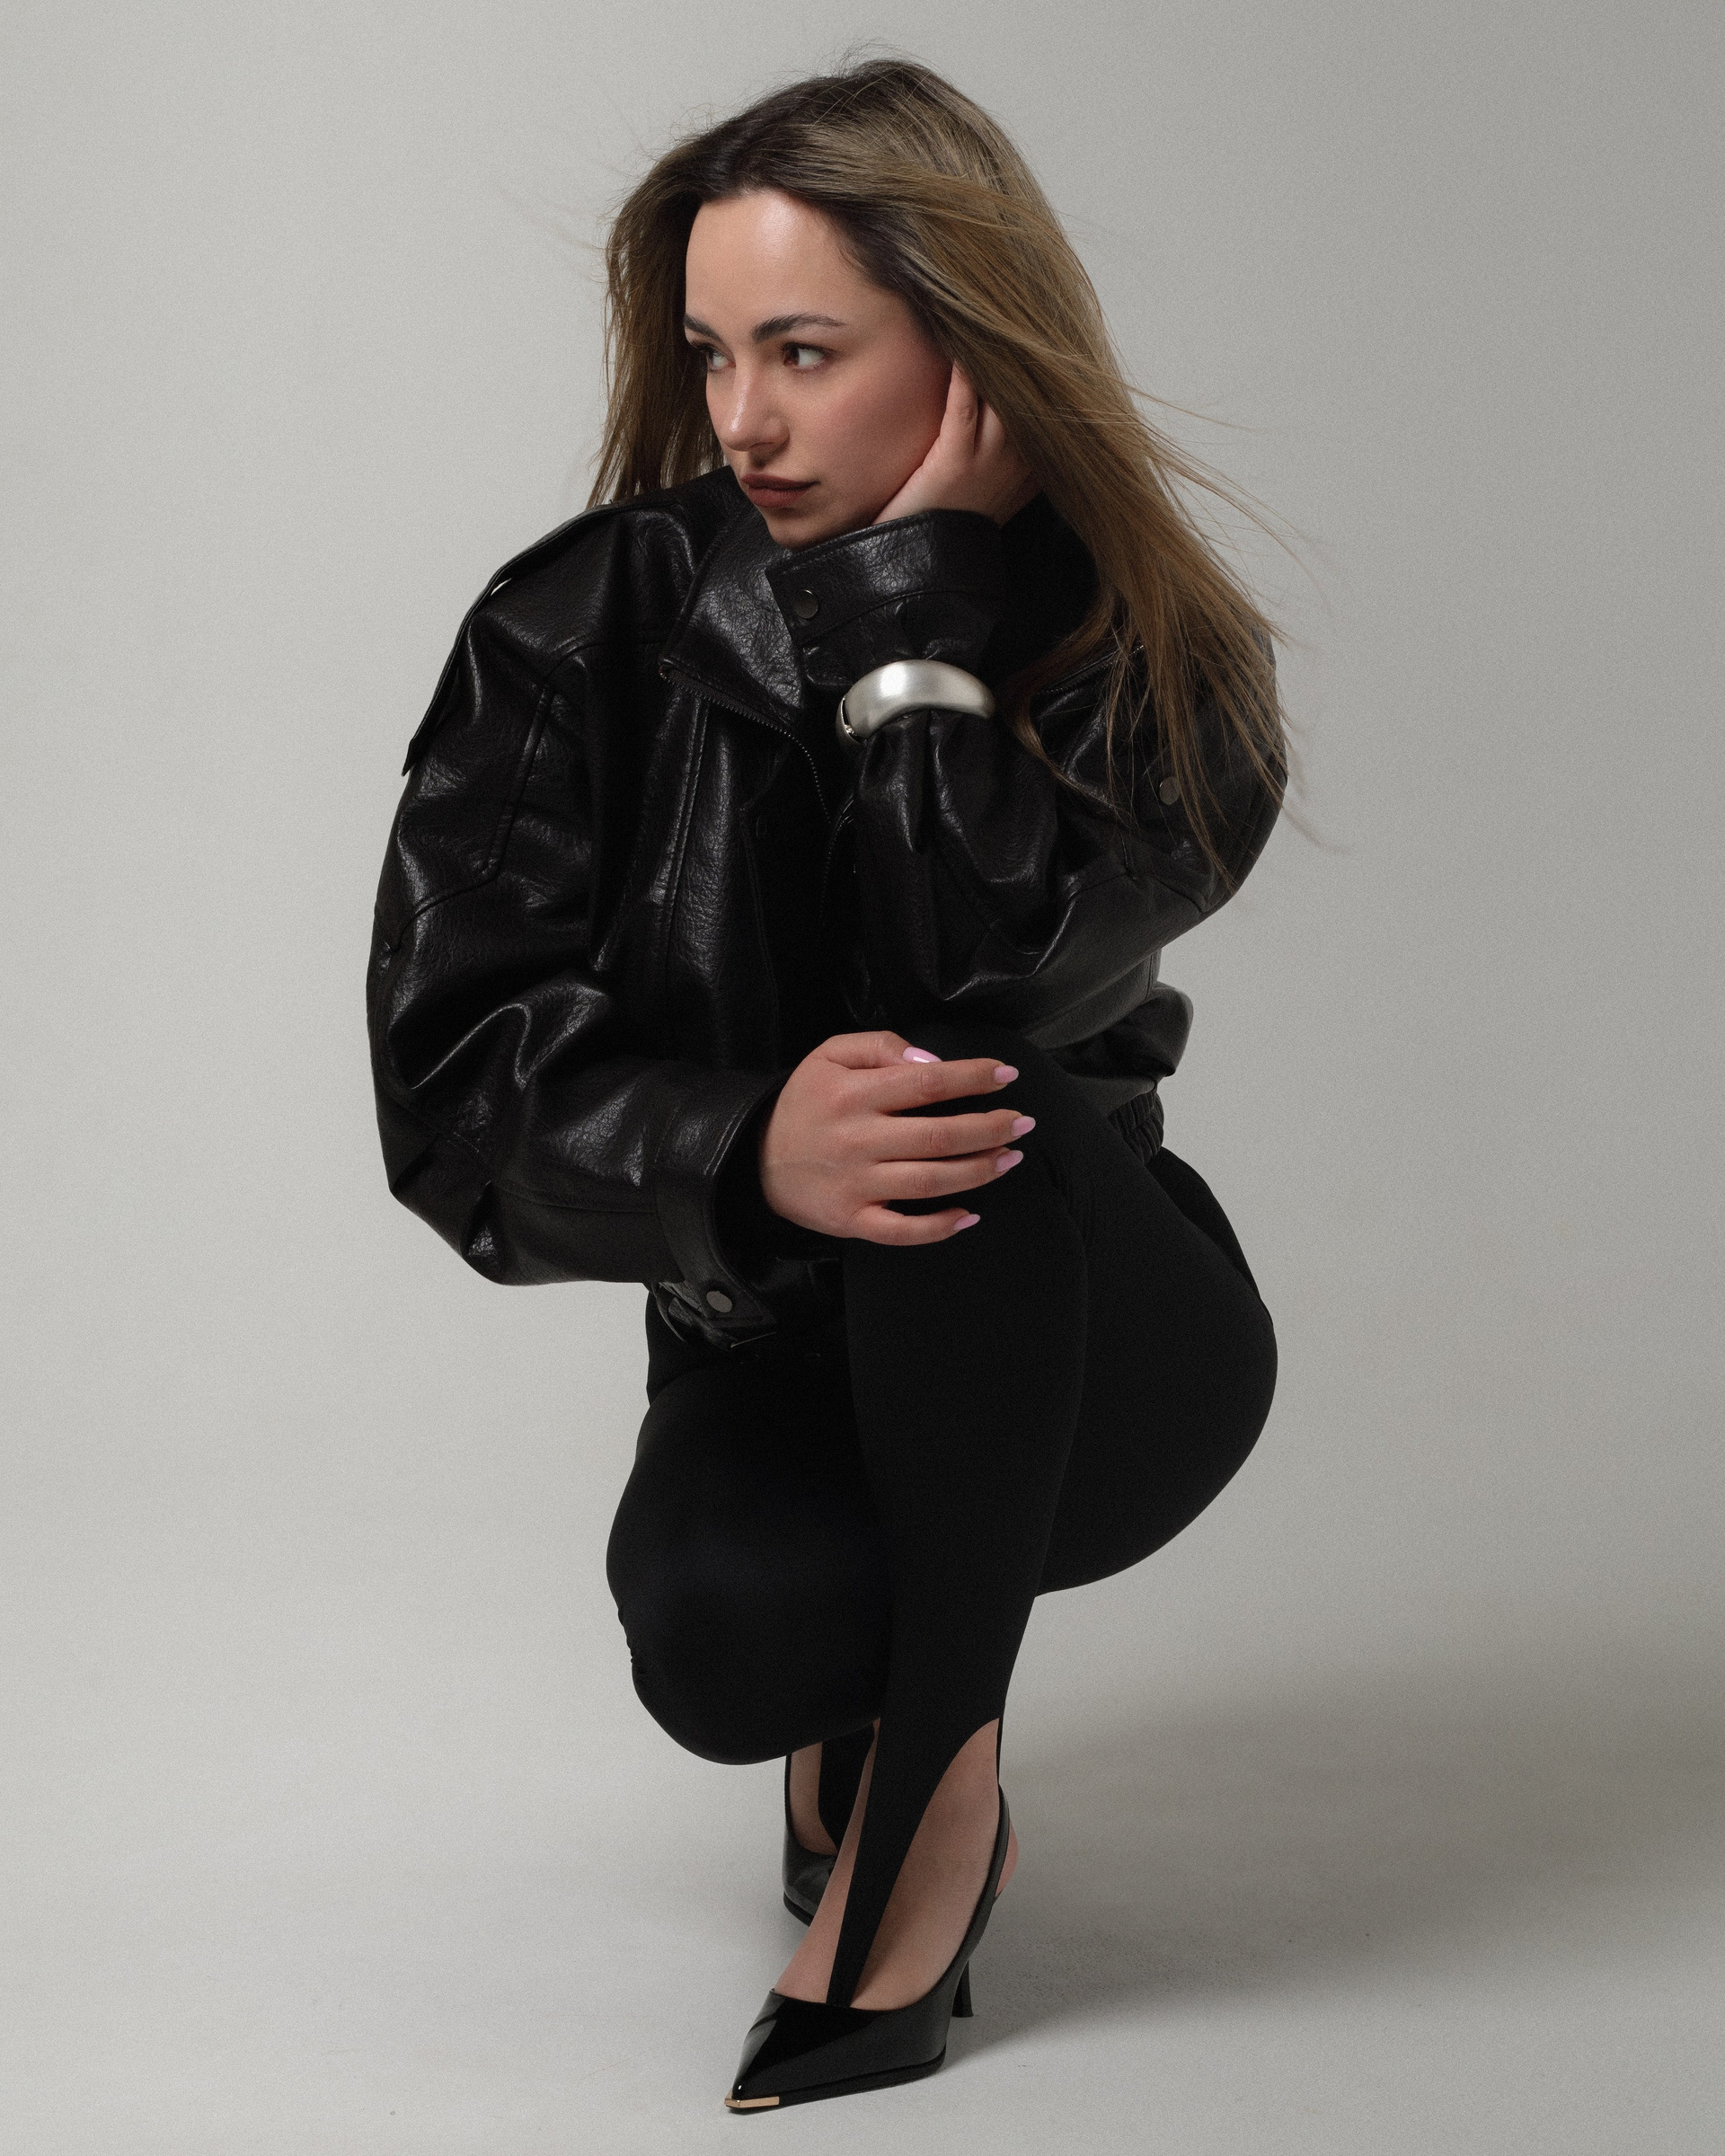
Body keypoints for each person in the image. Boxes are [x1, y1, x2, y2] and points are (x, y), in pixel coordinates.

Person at [367, 57, 1286, 2112]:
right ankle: (860, 1710)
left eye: (804, 351)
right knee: (728, 1641)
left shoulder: (1146, 646)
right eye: (712, 355)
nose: (745, 421)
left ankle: (928, 1813)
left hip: (1096, 1350)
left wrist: (911, 630)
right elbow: (448, 1088)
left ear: (970, 347)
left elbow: (981, 969)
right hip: (770, 1350)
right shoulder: (579, 624)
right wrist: (739, 1148)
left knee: (961, 1078)